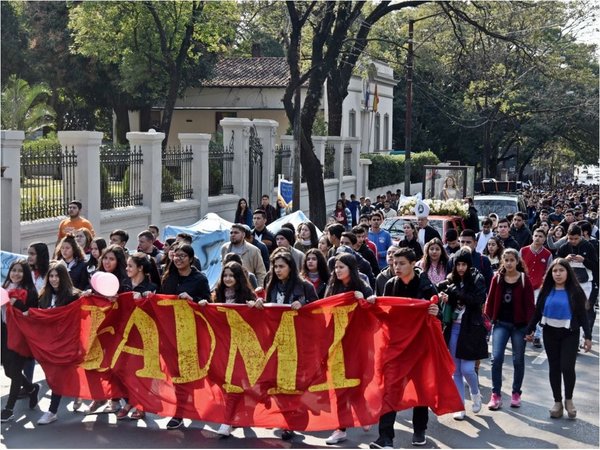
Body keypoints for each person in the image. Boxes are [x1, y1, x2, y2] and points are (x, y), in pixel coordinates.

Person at [369, 247, 439, 448]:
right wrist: (374, 303)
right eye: (394, 263)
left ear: (413, 264)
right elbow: (384, 313)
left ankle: (419, 430)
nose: (396, 267)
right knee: (389, 389)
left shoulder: (426, 287)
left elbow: (439, 318)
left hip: (420, 347)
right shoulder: (390, 284)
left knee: (420, 389)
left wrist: (436, 311)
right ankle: (385, 438)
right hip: (396, 347)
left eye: (401, 263)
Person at [525, 259, 592, 419]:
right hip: (550, 333)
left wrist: (588, 337)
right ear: (551, 273)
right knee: (554, 368)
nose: (558, 274)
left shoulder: (575, 290)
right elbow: (537, 312)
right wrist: (530, 329)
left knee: (567, 367)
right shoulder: (546, 290)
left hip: (570, 333)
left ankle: (569, 400)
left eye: (561, 270)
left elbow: (583, 316)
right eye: (555, 271)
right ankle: (557, 402)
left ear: (567, 272)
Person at [324, 253, 376, 445]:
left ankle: (363, 413)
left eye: (341, 267)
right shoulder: (332, 287)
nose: (337, 271)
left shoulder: (362, 286)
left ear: (351, 269)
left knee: (356, 383)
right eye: (336, 267)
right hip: (336, 344)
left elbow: (372, 313)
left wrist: (364, 301)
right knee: (339, 387)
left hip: (357, 344)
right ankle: (340, 428)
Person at [159, 243, 211, 429]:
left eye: (182, 256)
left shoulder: (199, 279)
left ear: (190, 258)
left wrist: (192, 300)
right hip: (169, 333)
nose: (178, 259)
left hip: (190, 333)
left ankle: (182, 410)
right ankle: (182, 408)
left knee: (188, 373)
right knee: (175, 374)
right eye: (176, 255)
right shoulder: (168, 277)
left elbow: (208, 304)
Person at [438, 249, 488, 420]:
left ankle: (475, 393)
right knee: (456, 371)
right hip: (453, 329)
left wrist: (455, 293)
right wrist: (447, 298)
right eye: (458, 264)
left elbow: (477, 300)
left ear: (469, 265)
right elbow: (451, 298)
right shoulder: (451, 281)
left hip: (471, 330)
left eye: (464, 264)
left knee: (468, 369)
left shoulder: (477, 279)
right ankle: (460, 406)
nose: (460, 268)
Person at [484, 248, 535, 410]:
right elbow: (490, 301)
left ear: (517, 261)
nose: (509, 263)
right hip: (501, 324)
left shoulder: (524, 279)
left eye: (512, 260)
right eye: (506, 260)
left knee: (518, 360)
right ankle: (496, 395)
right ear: (502, 262)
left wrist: (530, 328)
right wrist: (489, 320)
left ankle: (516, 393)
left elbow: (530, 306)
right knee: (496, 358)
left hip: (519, 326)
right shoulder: (497, 278)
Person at [212, 261, 257, 437]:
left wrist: (255, 307)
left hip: (242, 347)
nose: (228, 279)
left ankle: (227, 421)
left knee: (235, 384)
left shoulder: (248, 296)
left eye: (231, 275)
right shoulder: (216, 295)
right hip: (223, 346)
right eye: (225, 275)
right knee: (228, 384)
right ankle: (240, 417)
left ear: (238, 278)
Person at [34, 261, 81, 425]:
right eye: (51, 276)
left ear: (64, 277)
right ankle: (77, 392)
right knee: (56, 375)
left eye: (57, 276)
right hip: (49, 344)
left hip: (67, 343)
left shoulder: (73, 295)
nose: (54, 279)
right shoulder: (43, 296)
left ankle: (52, 411)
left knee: (59, 376)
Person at [1, 260, 40, 423]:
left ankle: (9, 409)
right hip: (4, 333)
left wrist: (18, 304)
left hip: (21, 336)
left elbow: (32, 315)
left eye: (20, 271)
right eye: (13, 270)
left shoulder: (30, 291)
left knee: (15, 371)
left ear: (26, 274)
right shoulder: (4, 288)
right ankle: (32, 389)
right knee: (8, 371)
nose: (16, 273)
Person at [520, 228, 553, 348]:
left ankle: (537, 336)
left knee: (537, 311)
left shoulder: (548, 254)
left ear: (544, 239)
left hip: (539, 287)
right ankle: (522, 332)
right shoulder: (523, 251)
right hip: (523, 284)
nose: (538, 238)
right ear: (532, 236)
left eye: (540, 236)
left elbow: (550, 272)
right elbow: (518, 268)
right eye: (536, 235)